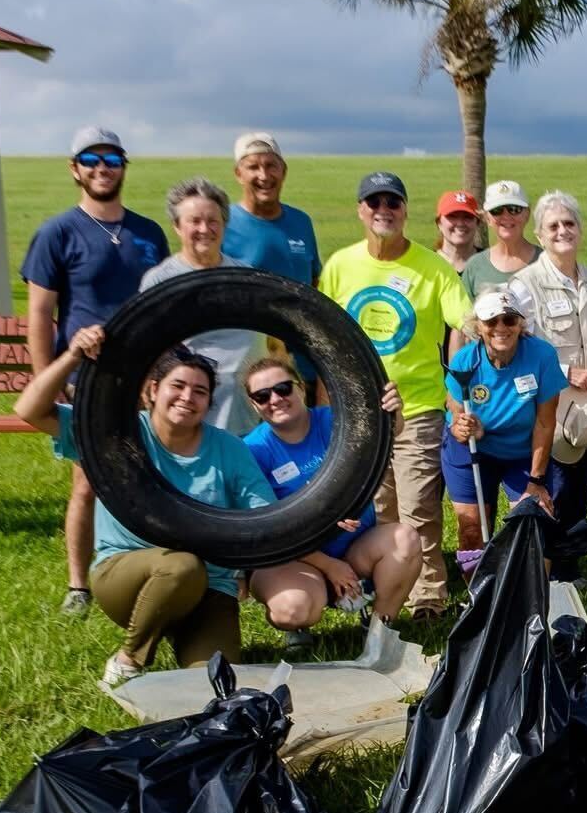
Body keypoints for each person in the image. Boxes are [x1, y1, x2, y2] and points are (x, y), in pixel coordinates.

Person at [14, 329, 273, 689]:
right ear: (151, 390)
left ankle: (173, 630)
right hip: (127, 575)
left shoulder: (228, 449)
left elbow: (264, 513)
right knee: (182, 565)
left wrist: (245, 567)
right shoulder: (115, 433)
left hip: (211, 586)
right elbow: (29, 410)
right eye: (177, 386)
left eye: (200, 392)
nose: (187, 397)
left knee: (215, 680)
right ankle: (130, 659)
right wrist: (73, 355)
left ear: (209, 403)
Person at [20, 125, 168, 617]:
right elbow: (41, 313)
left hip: (149, 379)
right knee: (88, 480)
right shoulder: (57, 232)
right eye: (91, 159)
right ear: (75, 169)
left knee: (152, 476)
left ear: (125, 166)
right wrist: (51, 378)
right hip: (87, 378)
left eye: (112, 158)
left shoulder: (149, 233)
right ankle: (79, 585)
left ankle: (150, 565)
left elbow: (167, 304)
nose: (102, 168)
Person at [317, 171, 472, 618]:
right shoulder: (340, 266)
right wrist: (327, 406)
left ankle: (429, 599)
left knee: (418, 505)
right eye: (374, 202)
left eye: (393, 202)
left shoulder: (433, 267)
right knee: (379, 508)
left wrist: (491, 325)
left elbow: (465, 318)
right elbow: (322, 336)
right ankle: (387, 596)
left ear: (405, 211)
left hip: (420, 406)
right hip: (356, 410)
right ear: (360, 210)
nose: (383, 209)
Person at [239, 358, 421, 647]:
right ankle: (298, 626)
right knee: (292, 608)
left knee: (406, 540)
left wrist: (392, 411)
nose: (275, 399)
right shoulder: (251, 450)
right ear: (253, 405)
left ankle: (379, 632)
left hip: (354, 547)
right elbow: (265, 530)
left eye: (283, 388)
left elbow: (389, 432)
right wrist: (327, 565)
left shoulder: (338, 420)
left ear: (300, 388)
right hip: (294, 558)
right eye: (262, 396)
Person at [516, 189, 587, 580]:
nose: (563, 231)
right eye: (553, 226)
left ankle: (568, 566)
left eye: (569, 223)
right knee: (553, 489)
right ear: (540, 235)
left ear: (580, 230)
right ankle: (541, 574)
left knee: (580, 485)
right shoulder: (525, 284)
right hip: (549, 406)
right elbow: (519, 344)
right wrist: (564, 370)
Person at [443, 283, 567, 551]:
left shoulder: (542, 355)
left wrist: (536, 481)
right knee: (472, 528)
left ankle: (523, 590)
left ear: (521, 324)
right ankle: (480, 591)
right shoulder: (464, 360)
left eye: (509, 319)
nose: (501, 327)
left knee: (530, 523)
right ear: (478, 326)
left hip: (522, 449)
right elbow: (454, 410)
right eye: (491, 320)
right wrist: (461, 427)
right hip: (473, 450)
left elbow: (545, 423)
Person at [137, 177, 260, 434]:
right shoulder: (160, 280)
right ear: (177, 227)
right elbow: (145, 347)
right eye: (195, 221)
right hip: (189, 414)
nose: (205, 229)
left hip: (244, 415)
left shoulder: (246, 276)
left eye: (213, 221)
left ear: (224, 225)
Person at [222, 132, 319, 284]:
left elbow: (315, 282)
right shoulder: (222, 223)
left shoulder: (302, 221)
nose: (264, 176)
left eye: (271, 166)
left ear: (284, 171)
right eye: (253, 167)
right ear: (239, 174)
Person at [462, 179, 538, 298]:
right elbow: (466, 315)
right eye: (497, 210)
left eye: (514, 209)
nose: (506, 216)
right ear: (487, 218)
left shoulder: (547, 262)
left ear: (527, 214)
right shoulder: (475, 267)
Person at [433, 190, 482, 273]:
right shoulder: (427, 262)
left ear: (477, 223)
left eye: (468, 217)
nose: (460, 223)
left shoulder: (491, 263)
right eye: (452, 216)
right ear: (439, 223)